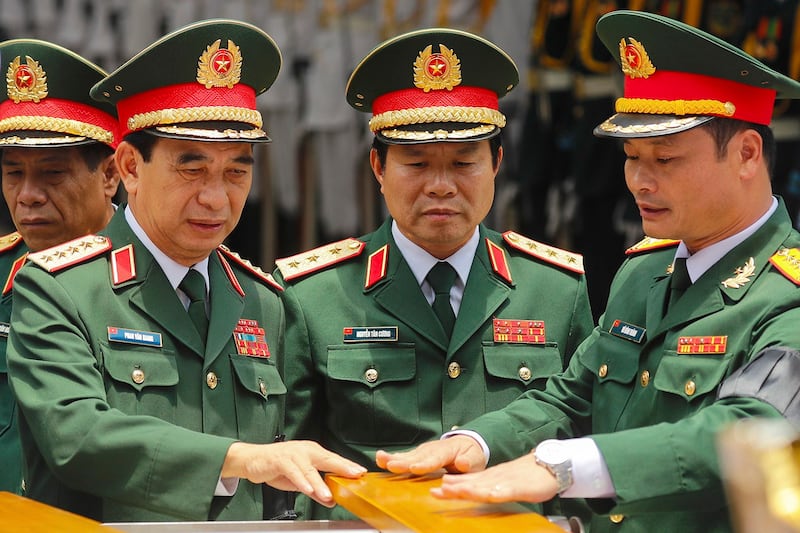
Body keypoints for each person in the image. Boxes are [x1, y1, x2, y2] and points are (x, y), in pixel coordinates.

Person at [375, 10, 800, 533]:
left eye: (664, 160)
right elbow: (572, 396)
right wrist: (474, 444)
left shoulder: (787, 293)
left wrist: (563, 468)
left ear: (747, 154)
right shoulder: (646, 271)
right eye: (630, 156)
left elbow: (751, 431)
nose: (640, 181)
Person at [6, 19, 364, 523]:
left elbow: (289, 476)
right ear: (129, 167)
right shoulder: (58, 288)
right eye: (191, 169)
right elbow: (77, 435)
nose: (216, 198)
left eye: (236, 171)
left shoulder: (266, 302)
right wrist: (240, 459)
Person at [274, 28, 594, 520]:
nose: (441, 186)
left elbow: (583, 436)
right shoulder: (313, 293)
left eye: (465, 162)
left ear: (497, 164)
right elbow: (289, 468)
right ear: (378, 167)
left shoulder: (557, 288)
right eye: (417, 163)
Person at [0, 39, 120, 495]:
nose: (28, 194)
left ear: (110, 174)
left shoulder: (156, 282)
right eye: (14, 173)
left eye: (52, 174)